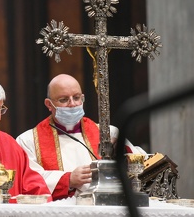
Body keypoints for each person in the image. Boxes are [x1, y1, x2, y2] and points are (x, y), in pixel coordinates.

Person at [16, 74, 145, 201]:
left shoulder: (108, 133)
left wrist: (121, 154)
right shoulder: (29, 140)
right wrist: (68, 180)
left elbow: (140, 162)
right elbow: (29, 180)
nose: (72, 104)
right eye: (64, 99)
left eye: (77, 98)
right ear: (49, 104)